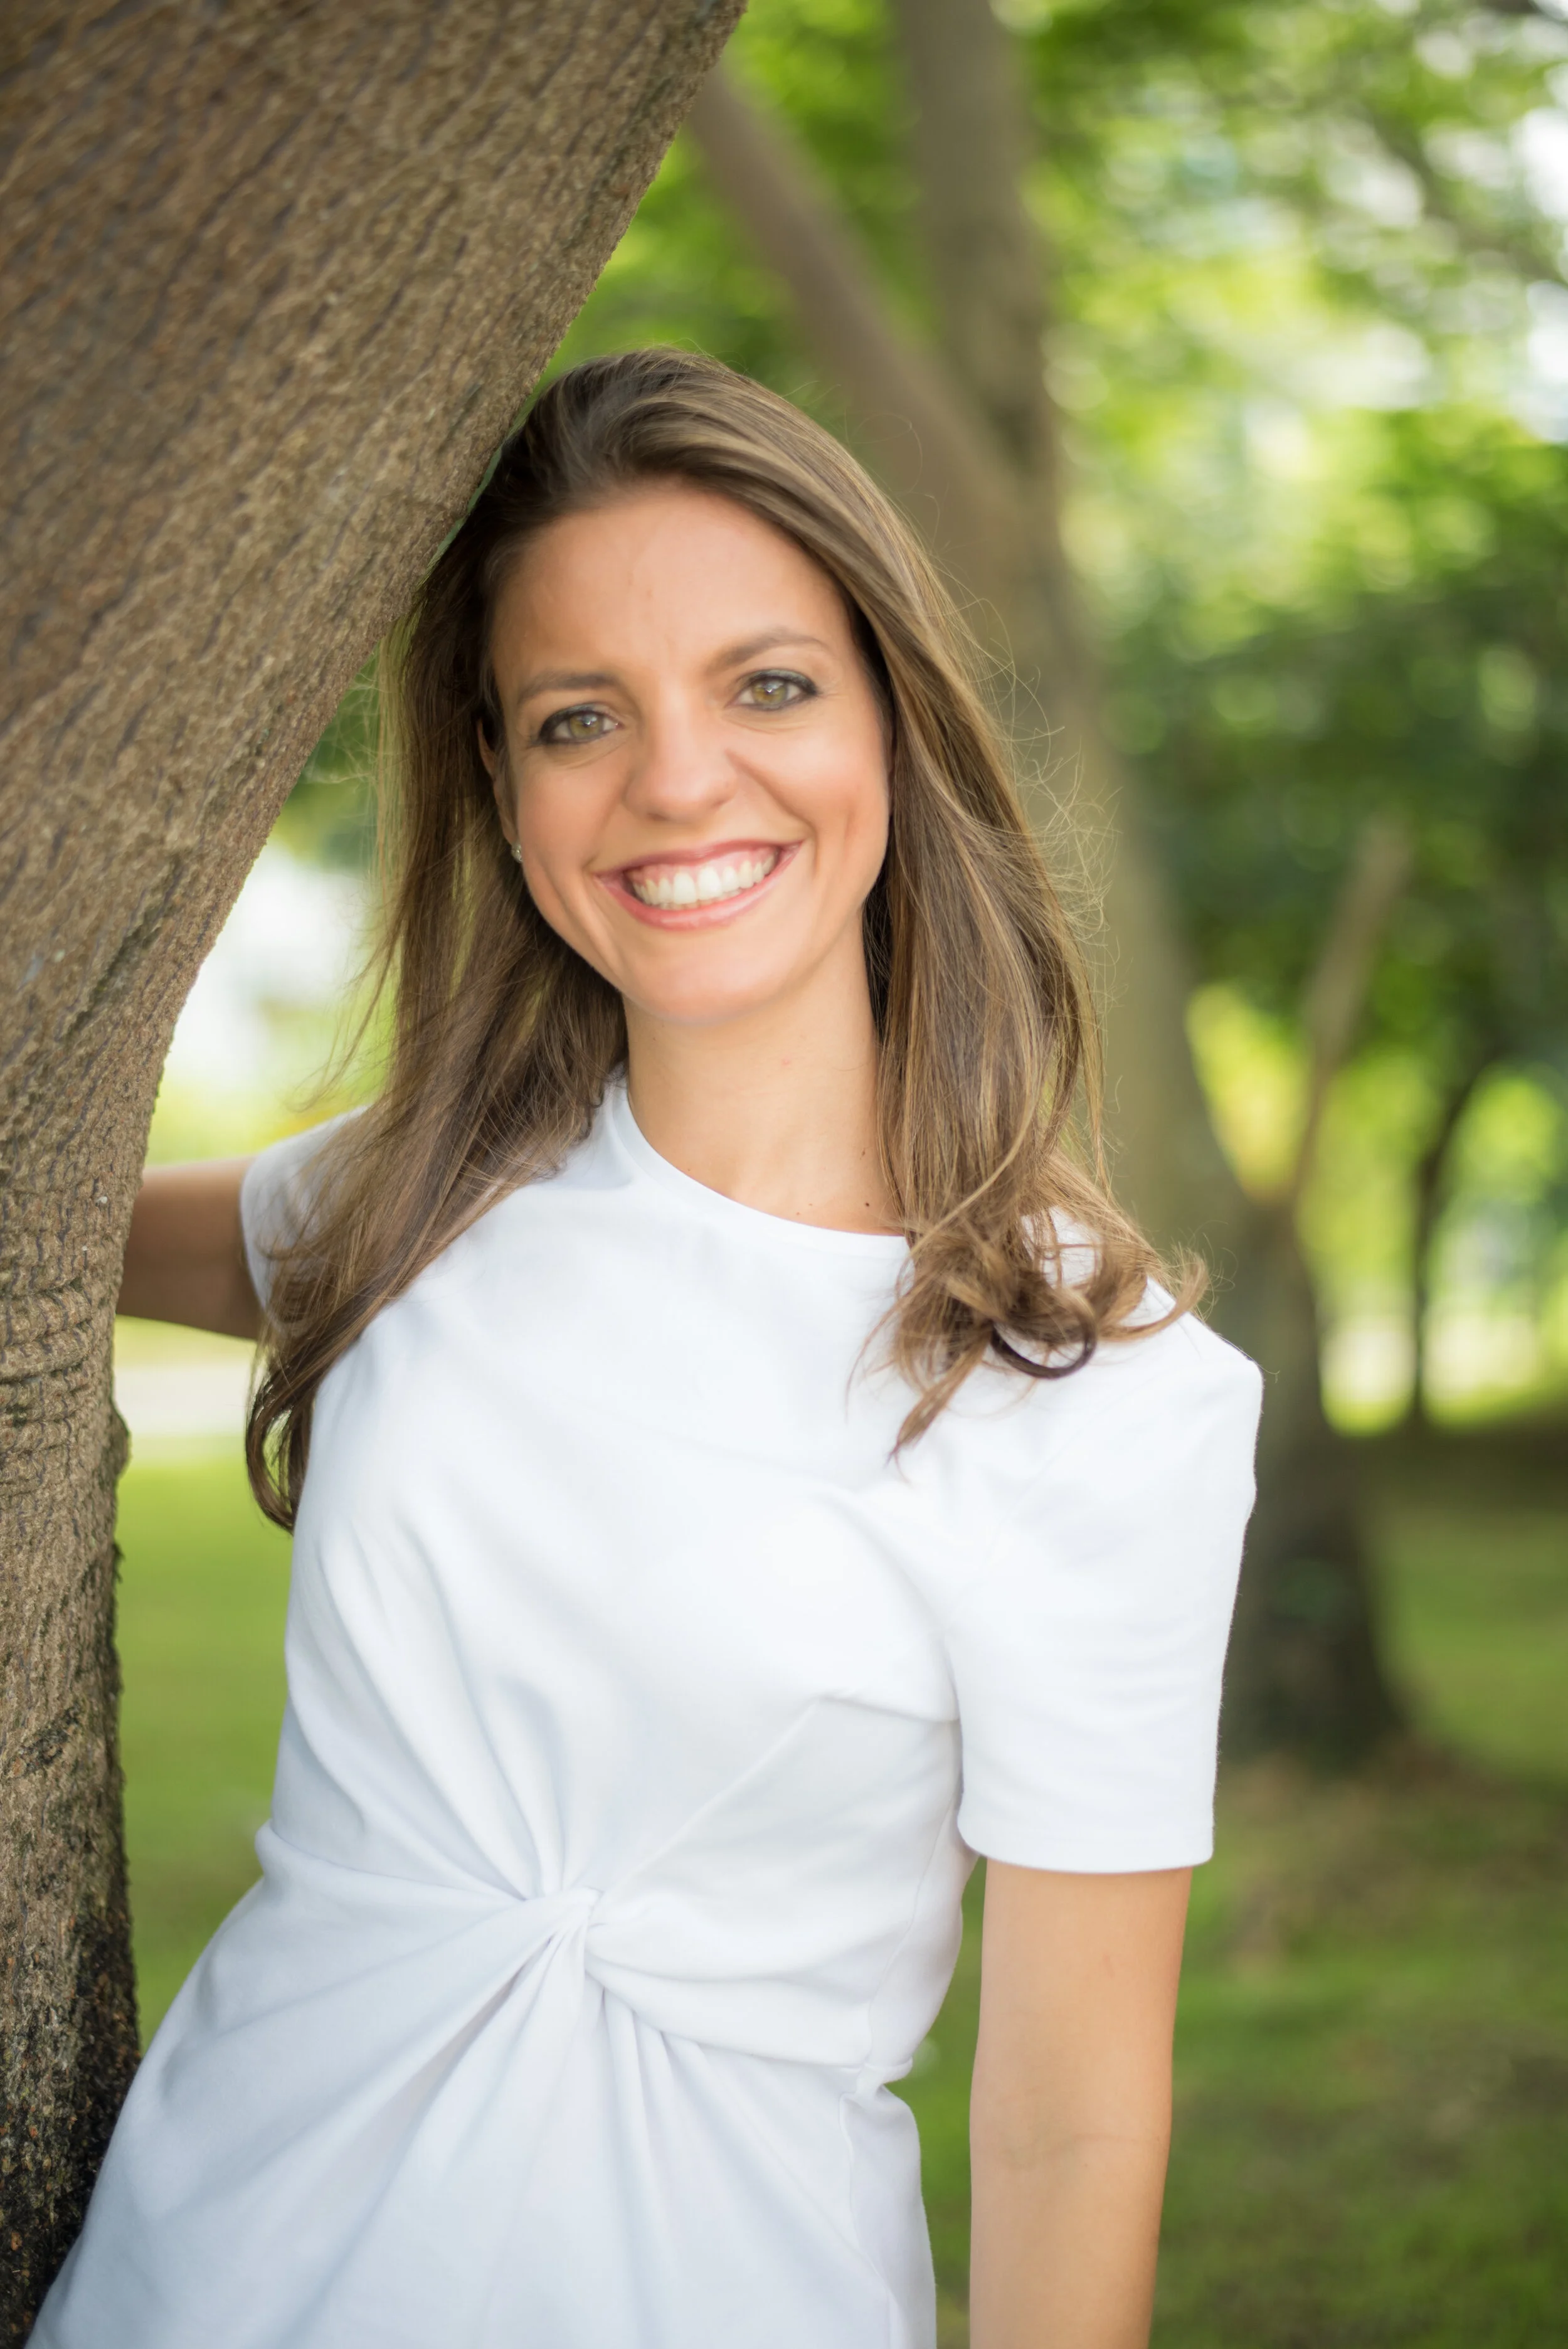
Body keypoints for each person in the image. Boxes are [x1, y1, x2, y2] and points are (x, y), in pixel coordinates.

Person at [36, 348, 1261, 2349]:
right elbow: (48, 1240)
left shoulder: (1099, 1389)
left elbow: (1067, 2126)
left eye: (765, 686)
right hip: (208, 2260)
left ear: (892, 726)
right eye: (579, 717)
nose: (677, 780)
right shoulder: (430, 1187)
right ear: (504, 793)